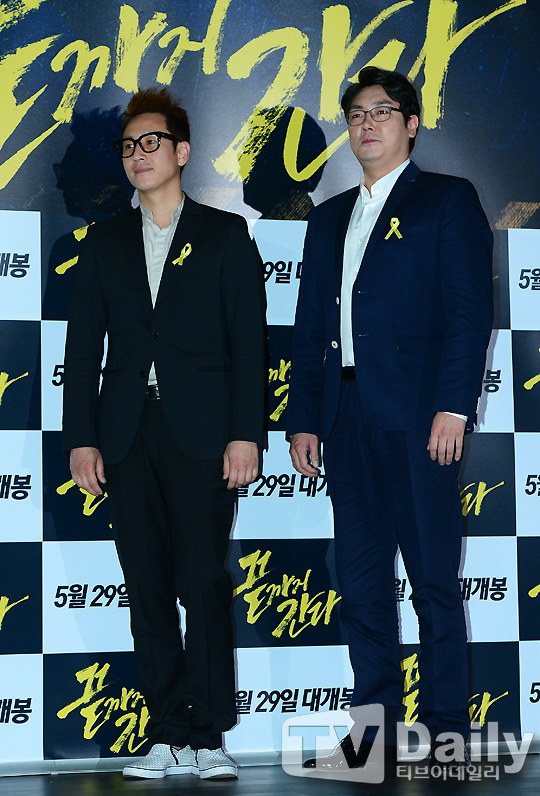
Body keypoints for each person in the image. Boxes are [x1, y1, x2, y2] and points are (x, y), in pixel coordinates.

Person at [287, 66, 493, 769]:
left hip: (420, 419)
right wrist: (304, 417)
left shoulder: (447, 199)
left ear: (411, 124)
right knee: (362, 585)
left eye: (381, 111)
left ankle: (447, 730)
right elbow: (309, 324)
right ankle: (372, 733)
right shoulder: (327, 217)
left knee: (434, 581)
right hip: (344, 419)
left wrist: (453, 406)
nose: (366, 124)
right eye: (355, 115)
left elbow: (470, 312)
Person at [62, 87, 266, 780]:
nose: (138, 155)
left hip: (203, 432)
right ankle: (167, 731)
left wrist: (246, 434)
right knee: (145, 583)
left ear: (181, 152)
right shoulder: (103, 242)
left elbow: (250, 344)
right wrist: (81, 438)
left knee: (202, 579)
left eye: (151, 143)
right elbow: (82, 350)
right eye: (128, 146)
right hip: (125, 433)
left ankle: (207, 735)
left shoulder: (225, 234)